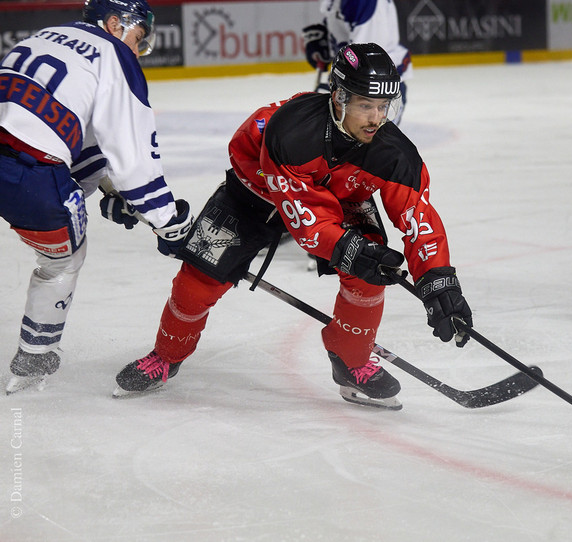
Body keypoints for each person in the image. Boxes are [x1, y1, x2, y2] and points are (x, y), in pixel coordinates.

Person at [113, 43, 473, 410]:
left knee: (368, 275)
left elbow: (419, 218)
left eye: (383, 107)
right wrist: (349, 249)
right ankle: (166, 356)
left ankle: (351, 362)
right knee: (199, 278)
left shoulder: (395, 153)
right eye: (366, 105)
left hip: (337, 197)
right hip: (253, 194)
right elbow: (307, 222)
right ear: (339, 98)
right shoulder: (291, 132)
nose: (375, 119)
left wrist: (438, 281)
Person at [0, 0, 192, 393]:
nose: (136, 49)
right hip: (27, 178)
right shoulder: (115, 54)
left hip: (21, 160)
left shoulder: (43, 37)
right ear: (115, 24)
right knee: (62, 262)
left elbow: (60, 128)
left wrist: (108, 188)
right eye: (137, 38)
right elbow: (132, 155)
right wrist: (167, 220)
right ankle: (34, 356)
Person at [302, 0, 412, 125]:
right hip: (355, 86)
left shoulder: (363, 2)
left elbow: (367, 62)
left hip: (378, 93)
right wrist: (328, 41)